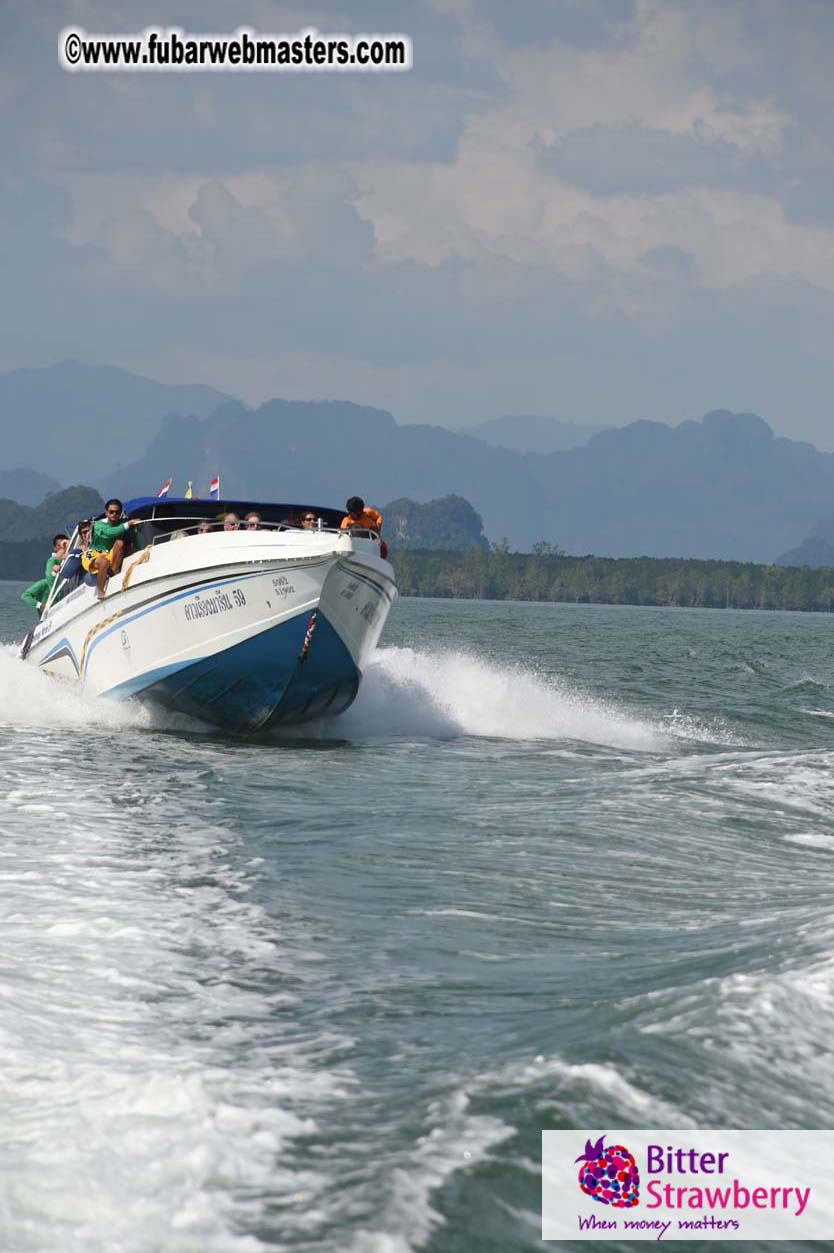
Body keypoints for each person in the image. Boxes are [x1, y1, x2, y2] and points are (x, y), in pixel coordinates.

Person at [81, 498, 142, 600]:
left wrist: (138, 523)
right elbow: (110, 533)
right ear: (106, 513)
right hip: (94, 553)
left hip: (109, 552)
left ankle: (113, 575)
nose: (114, 514)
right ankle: (101, 592)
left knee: (120, 543)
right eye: (111, 512)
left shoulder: (122, 522)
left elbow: (130, 523)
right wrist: (129, 524)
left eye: (117, 512)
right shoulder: (98, 525)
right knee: (103, 562)